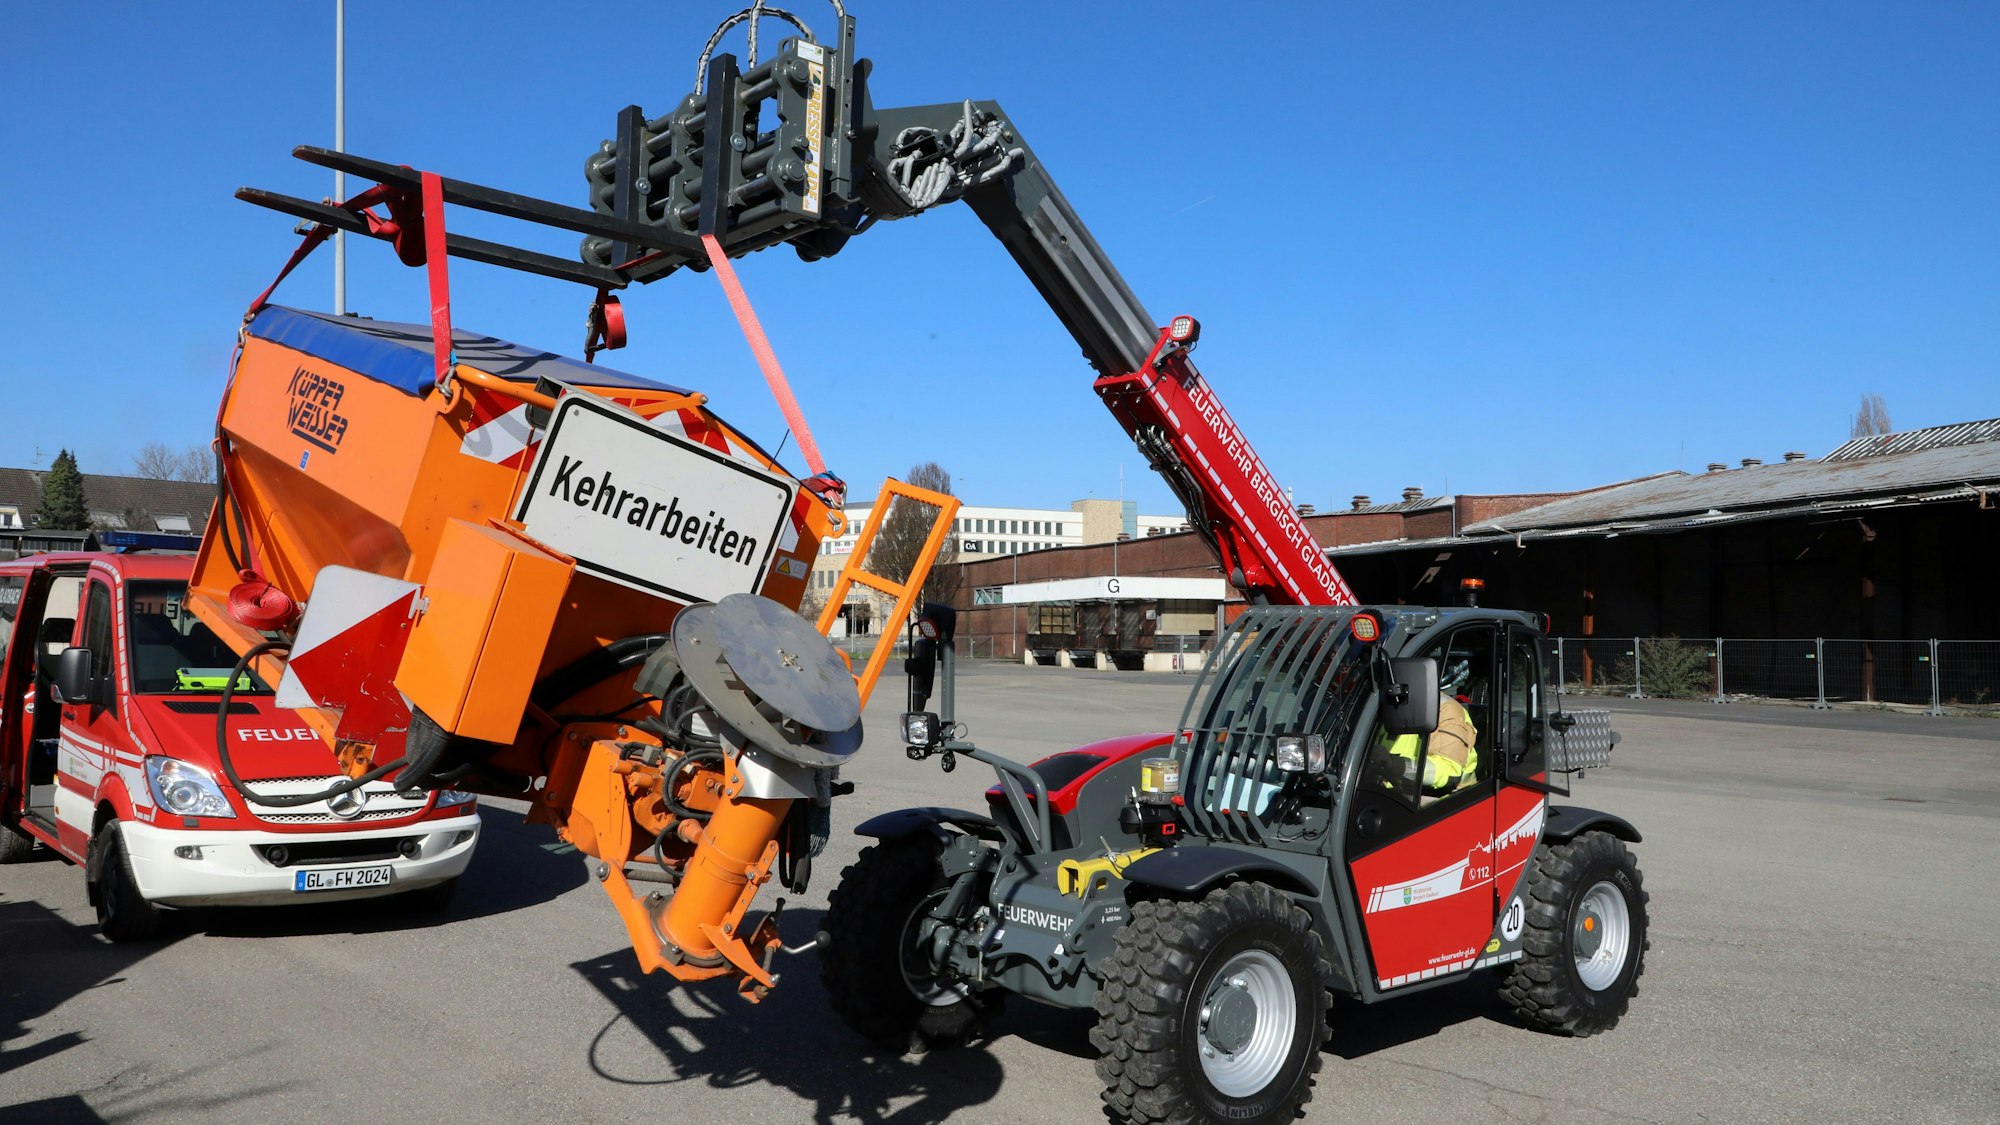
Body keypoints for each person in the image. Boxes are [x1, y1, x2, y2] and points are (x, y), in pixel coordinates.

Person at [1384, 692, 1479, 799]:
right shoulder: (1390, 706)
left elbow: (1449, 771)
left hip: (1447, 800)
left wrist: (1393, 764)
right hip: (1392, 793)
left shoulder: (1446, 709)